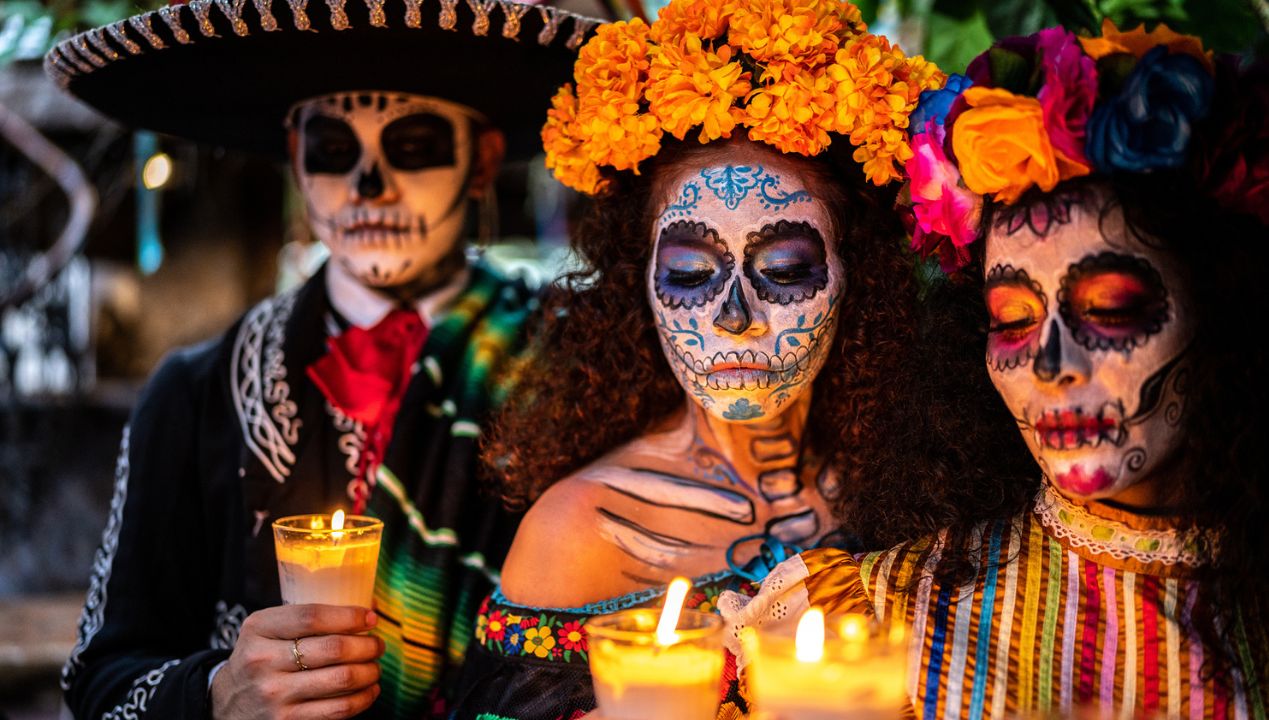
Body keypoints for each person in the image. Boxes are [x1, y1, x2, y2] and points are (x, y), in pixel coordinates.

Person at [45, 1, 597, 717]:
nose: (369, 186)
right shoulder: (197, 392)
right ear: (296, 162)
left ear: (482, 160)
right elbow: (100, 681)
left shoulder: (576, 374)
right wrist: (221, 691)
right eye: (333, 150)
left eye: (414, 143)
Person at [446, 2, 992, 717]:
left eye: (786, 269)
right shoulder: (579, 530)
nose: (734, 317)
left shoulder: (926, 479)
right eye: (690, 273)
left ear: (858, 278)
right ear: (637, 284)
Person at [722, 21, 1269, 718]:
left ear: (1228, 312)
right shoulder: (863, 621)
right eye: (1011, 320)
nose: (1049, 364)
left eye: (1108, 309)